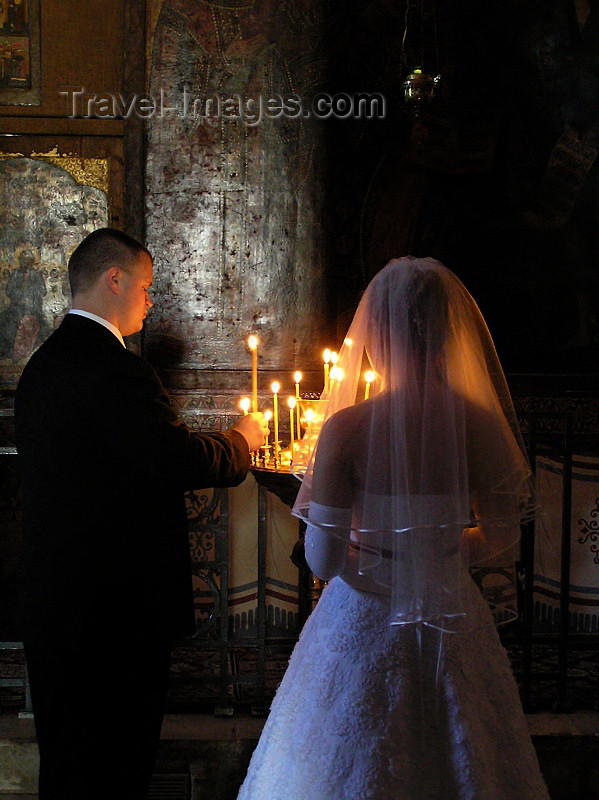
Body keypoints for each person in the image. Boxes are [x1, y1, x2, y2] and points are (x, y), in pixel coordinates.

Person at [237, 257, 550, 800]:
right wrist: (437, 555)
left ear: (376, 331)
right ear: (449, 330)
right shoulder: (479, 423)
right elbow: (503, 535)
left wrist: (380, 563)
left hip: (362, 618)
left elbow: (322, 560)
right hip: (451, 609)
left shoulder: (347, 429)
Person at [14, 227, 268, 800]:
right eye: (147, 288)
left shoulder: (42, 368)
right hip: (112, 616)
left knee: (68, 766)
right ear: (115, 279)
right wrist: (242, 441)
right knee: (115, 768)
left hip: (55, 607)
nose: (150, 304)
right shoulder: (115, 370)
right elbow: (174, 457)